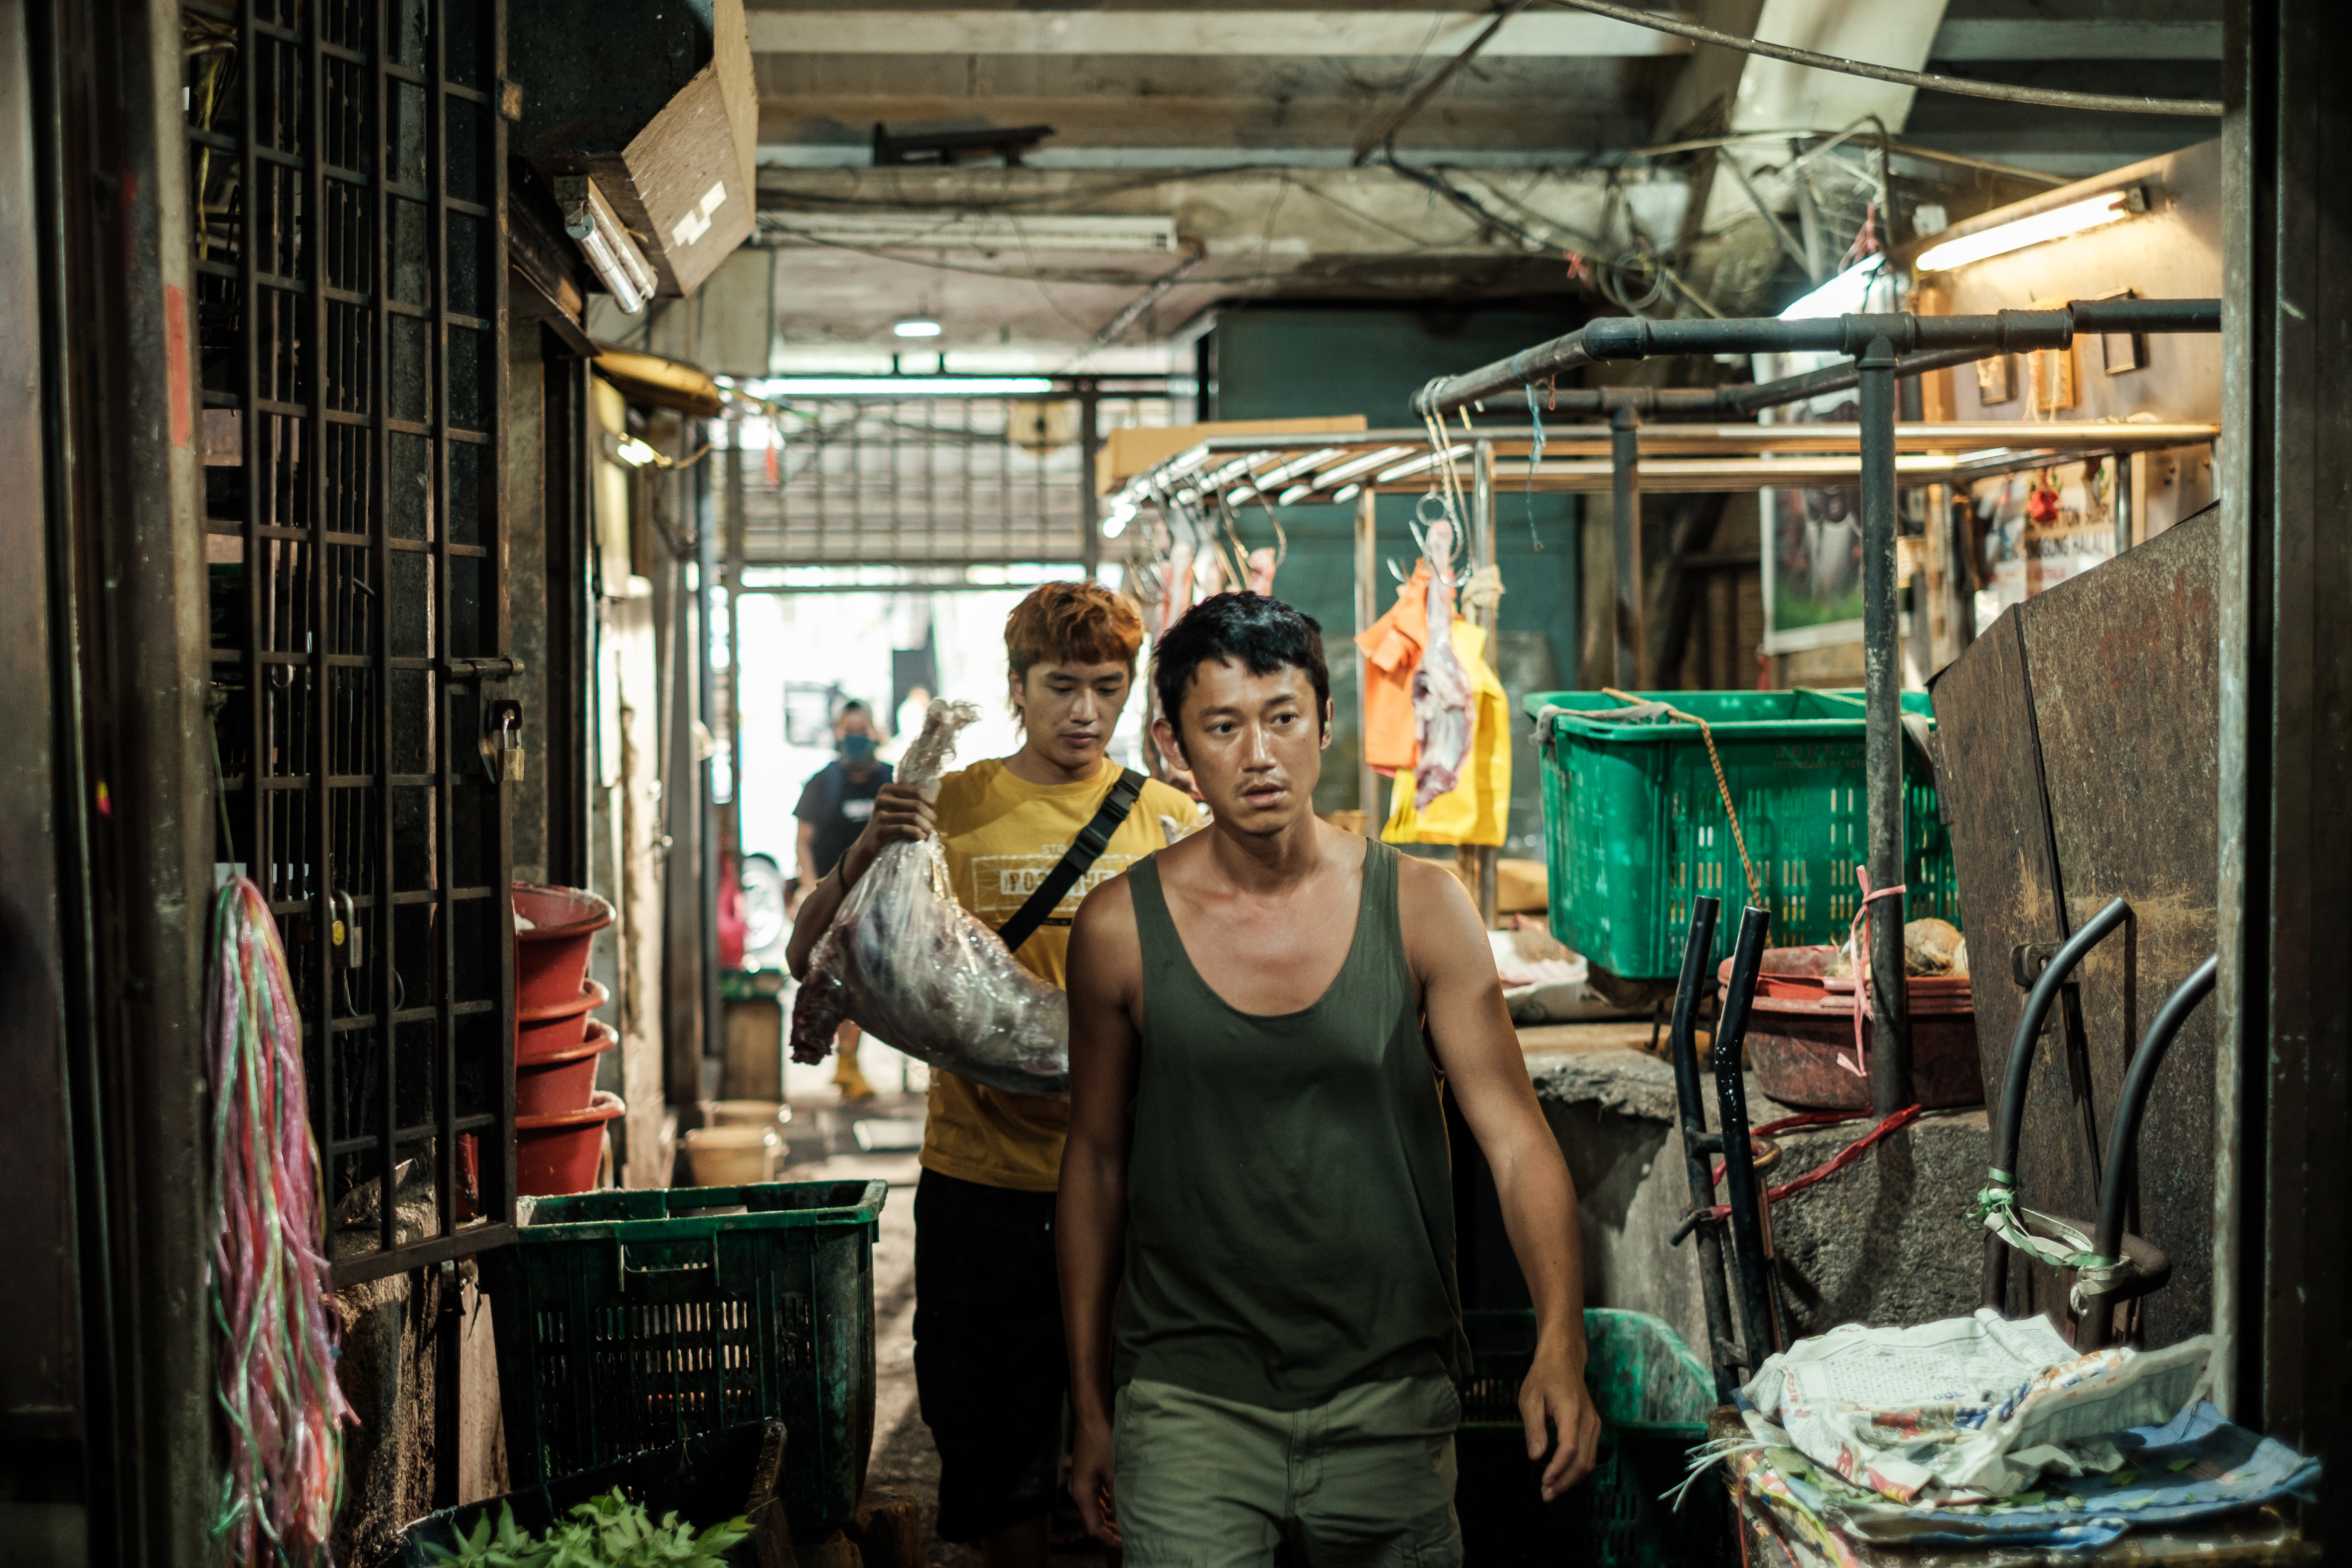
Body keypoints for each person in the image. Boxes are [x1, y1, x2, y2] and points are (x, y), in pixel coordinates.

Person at [1057, 593, 1603, 1564]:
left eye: (1282, 718)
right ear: (1171, 743)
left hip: (1388, 1393)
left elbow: (1517, 1142)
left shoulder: (1424, 910)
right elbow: (1095, 1164)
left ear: (1326, 724)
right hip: (1189, 1402)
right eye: (1221, 726)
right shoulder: (1116, 933)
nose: (1258, 755)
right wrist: (1092, 1406)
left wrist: (1561, 1339)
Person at [786, 582, 1197, 1567]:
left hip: (1139, 1188)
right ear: (1017, 686)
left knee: (1149, 1453)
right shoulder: (948, 810)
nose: (1086, 712)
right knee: (994, 1447)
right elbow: (811, 952)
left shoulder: (1171, 824)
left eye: (1108, 686)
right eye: (1062, 686)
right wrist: (863, 859)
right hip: (981, 1188)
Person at [795, 700, 890, 1100]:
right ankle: (840, 1058)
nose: (856, 736)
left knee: (864, 983)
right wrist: (808, 888)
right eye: (848, 729)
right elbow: (803, 841)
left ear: (875, 731)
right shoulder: (824, 782)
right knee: (832, 982)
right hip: (833, 898)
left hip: (879, 899)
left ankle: (848, 1060)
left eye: (862, 728)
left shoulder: (890, 779)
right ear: (837, 734)